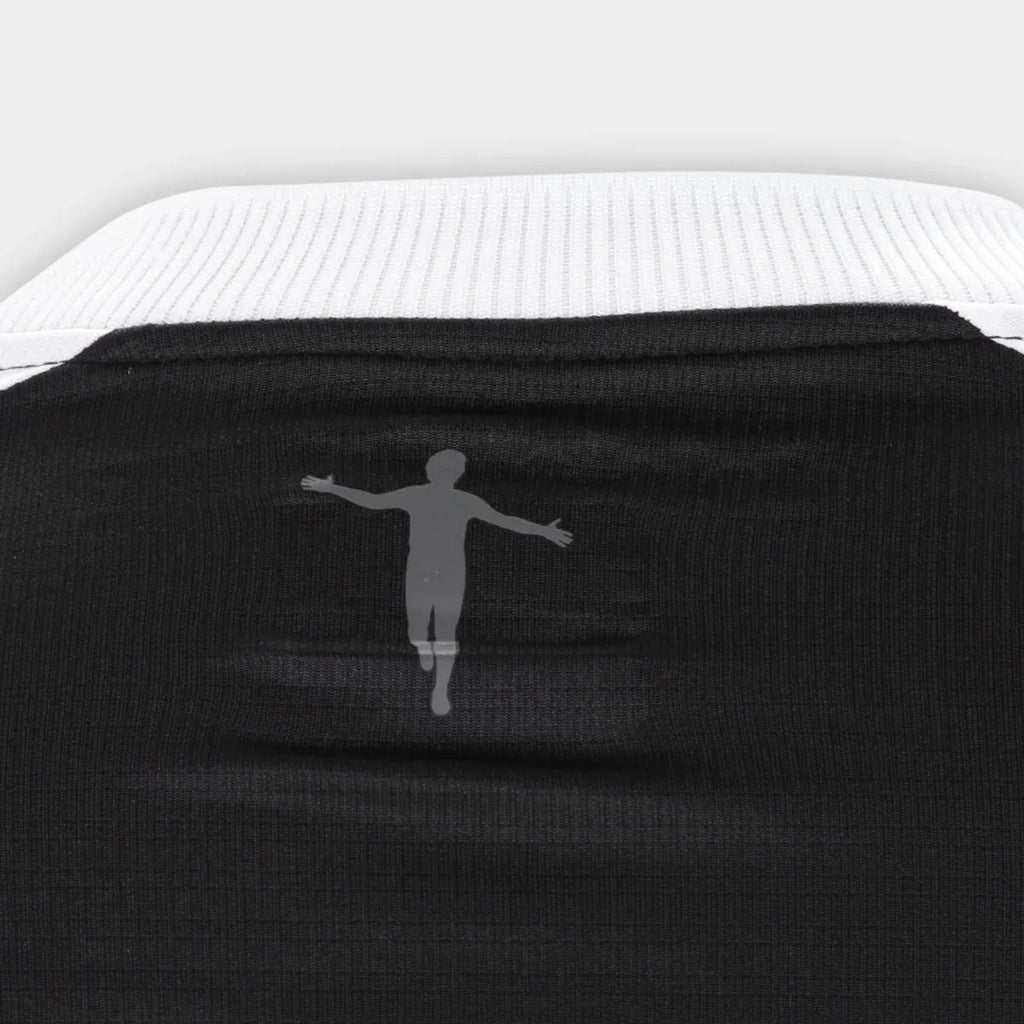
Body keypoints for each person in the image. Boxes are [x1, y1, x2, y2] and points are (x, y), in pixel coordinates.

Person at [301, 449, 572, 715]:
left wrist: (542, 530)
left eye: (451, 471)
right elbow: (373, 501)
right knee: (417, 630)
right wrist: (332, 488)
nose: (448, 474)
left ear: (454, 474)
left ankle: (441, 687)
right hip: (421, 572)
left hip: (450, 575)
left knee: (445, 633)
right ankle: (421, 646)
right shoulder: (418, 494)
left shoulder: (463, 500)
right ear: (436, 471)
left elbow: (505, 521)